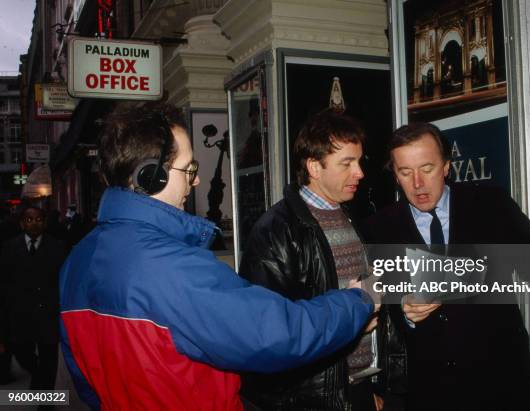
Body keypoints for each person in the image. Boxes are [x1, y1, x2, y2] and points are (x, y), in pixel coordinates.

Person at [59, 102, 375, 411]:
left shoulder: (77, 260)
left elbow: (84, 378)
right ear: (151, 177)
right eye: (189, 169)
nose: (196, 180)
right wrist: (358, 301)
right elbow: (277, 334)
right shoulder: (173, 268)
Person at [362, 122, 530, 411]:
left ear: (446, 167)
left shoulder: (491, 206)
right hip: (427, 393)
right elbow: (376, 315)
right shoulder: (379, 230)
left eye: (427, 169)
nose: (417, 183)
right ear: (395, 174)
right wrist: (403, 311)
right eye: (405, 172)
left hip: (501, 388)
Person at [239, 109, 381, 411]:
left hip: (358, 388)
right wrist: (350, 324)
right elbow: (270, 335)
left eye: (359, 161)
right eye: (347, 163)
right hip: (310, 400)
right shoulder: (274, 232)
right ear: (314, 167)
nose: (360, 173)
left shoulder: (354, 216)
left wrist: (370, 388)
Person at [0, 206, 66, 392]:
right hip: (20, 314)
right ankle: (39, 375)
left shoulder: (57, 247)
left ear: (44, 223)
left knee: (49, 359)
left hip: (48, 313)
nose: (34, 223)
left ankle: (45, 402)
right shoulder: (9, 247)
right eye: (29, 219)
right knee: (21, 352)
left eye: (38, 219)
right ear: (22, 223)